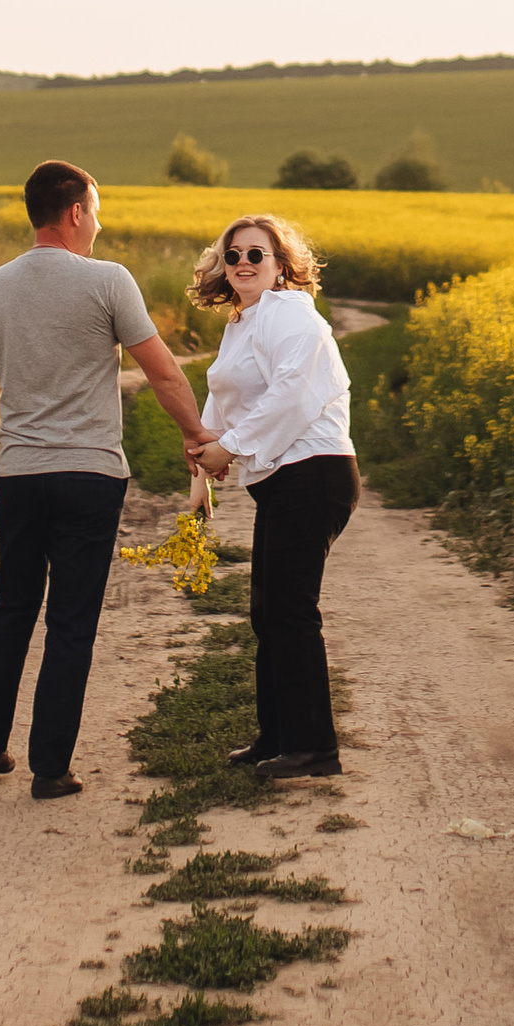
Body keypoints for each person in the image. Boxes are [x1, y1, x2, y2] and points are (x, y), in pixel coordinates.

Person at [0, 160, 212, 800]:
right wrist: (196, 436)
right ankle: (50, 768)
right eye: (95, 212)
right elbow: (162, 372)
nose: (98, 225)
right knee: (71, 619)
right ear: (74, 213)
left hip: (19, 475)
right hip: (90, 475)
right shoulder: (108, 281)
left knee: (12, 605)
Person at [189, 211, 358, 781]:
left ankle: (314, 749)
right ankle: (278, 737)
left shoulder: (290, 313)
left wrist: (231, 448)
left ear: (281, 264)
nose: (242, 263)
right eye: (232, 254)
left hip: (315, 473)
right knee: (268, 613)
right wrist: (201, 474)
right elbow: (223, 401)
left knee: (290, 612)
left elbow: (291, 394)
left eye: (256, 254)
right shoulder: (244, 322)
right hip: (284, 479)